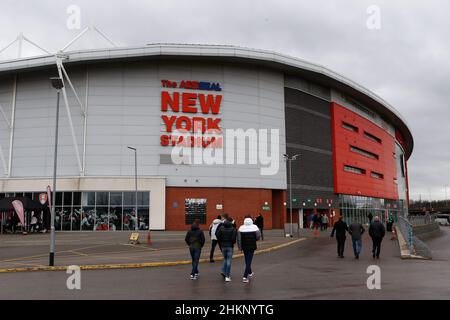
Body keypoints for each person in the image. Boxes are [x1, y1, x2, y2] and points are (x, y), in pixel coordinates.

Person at [237, 217, 261, 283]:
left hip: (244, 246)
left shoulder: (241, 228)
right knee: (249, 261)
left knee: (247, 260)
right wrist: (255, 239)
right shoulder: (255, 227)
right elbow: (258, 236)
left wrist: (240, 247)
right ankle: (245, 277)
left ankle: (250, 273)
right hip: (252, 246)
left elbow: (239, 239)